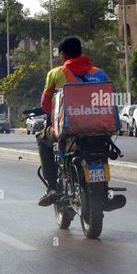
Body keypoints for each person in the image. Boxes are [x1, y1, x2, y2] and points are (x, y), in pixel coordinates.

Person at [36, 36, 108, 207]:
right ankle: (104, 190)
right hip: (98, 129)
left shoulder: (56, 73)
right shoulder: (100, 73)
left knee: (41, 138)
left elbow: (46, 105)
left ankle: (52, 186)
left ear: (63, 55)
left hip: (68, 130)